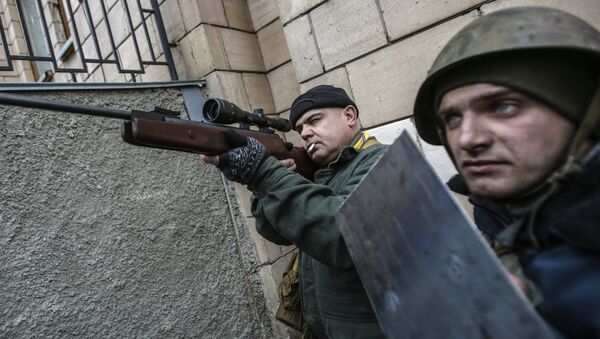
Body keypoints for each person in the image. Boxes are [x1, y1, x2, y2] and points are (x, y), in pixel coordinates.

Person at [413, 6, 600, 338]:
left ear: (583, 113)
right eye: (453, 118)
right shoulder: (503, 217)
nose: (468, 139)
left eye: (503, 106)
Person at [203, 85, 388, 338]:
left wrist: (265, 173)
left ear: (349, 116)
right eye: (300, 129)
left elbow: (343, 236)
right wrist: (262, 184)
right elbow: (277, 233)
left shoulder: (382, 160)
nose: (306, 133)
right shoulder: (322, 173)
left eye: (314, 120)